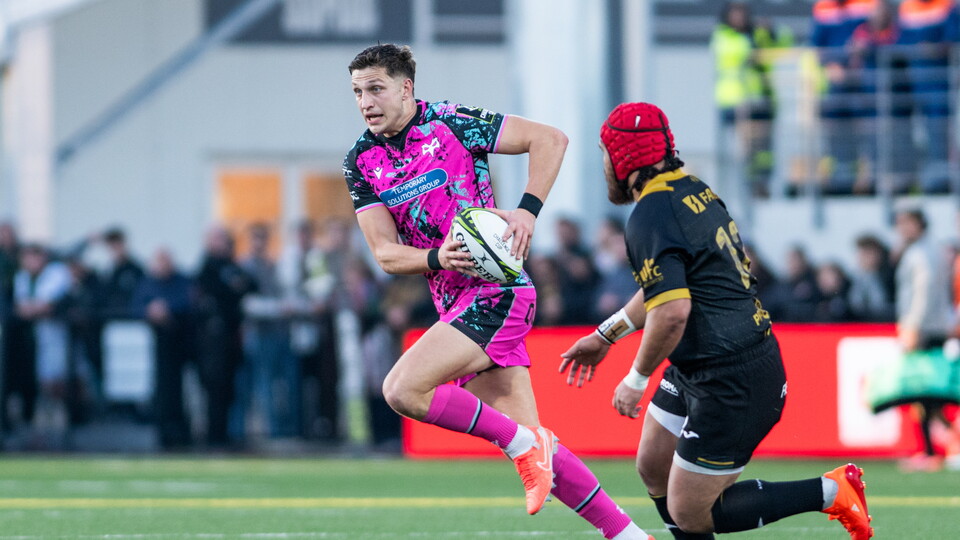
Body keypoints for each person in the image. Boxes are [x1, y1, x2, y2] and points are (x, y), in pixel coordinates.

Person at [343, 44, 651, 539]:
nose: (366, 102)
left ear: (406, 87)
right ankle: (630, 536)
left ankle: (521, 447)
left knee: (401, 389)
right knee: (539, 449)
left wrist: (527, 210)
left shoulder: (453, 122)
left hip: (498, 291)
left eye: (376, 88)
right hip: (453, 305)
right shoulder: (361, 160)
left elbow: (550, 139)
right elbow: (383, 252)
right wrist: (435, 259)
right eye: (358, 92)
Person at [559, 102, 873, 539]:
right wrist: (605, 335)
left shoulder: (651, 214)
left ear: (624, 156)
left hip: (733, 376)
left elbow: (672, 312)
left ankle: (831, 491)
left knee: (691, 513)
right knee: (653, 465)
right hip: (704, 365)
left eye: (605, 152)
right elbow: (661, 291)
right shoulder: (691, 189)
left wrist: (635, 378)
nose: (604, 164)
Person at [891, 208, 957, 470]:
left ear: (918, 223)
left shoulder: (921, 252)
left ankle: (930, 451)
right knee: (932, 392)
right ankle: (935, 448)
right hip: (933, 327)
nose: (901, 229)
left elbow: (923, 291)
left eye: (906, 223)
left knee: (924, 392)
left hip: (925, 329)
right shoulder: (931, 249)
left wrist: (913, 327)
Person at [810, 0, 878, 194]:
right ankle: (841, 180)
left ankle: (866, 179)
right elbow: (817, 45)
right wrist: (831, 64)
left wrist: (861, 57)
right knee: (837, 132)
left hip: (864, 81)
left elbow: (878, 31)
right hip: (836, 84)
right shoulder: (823, 8)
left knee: (866, 129)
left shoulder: (867, 3)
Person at [131, 248, 194, 449]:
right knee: (161, 391)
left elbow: (189, 303)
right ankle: (164, 433)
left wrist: (167, 309)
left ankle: (182, 433)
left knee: (181, 390)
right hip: (156, 347)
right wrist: (150, 311)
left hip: (182, 344)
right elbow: (136, 306)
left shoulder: (182, 281)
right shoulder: (148, 283)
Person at [896, 0, 960, 193]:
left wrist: (936, 48)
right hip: (914, 81)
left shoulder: (947, 5)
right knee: (918, 132)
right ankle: (927, 176)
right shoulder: (907, 7)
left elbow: (953, 38)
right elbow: (900, 41)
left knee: (940, 129)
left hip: (940, 80)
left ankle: (942, 178)